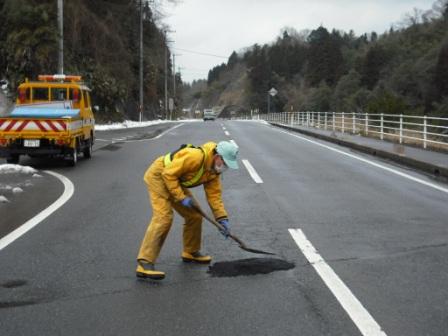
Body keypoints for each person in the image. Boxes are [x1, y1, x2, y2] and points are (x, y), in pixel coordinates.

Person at [136, 141, 239, 280]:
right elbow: (168, 174)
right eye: (225, 163)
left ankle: (190, 252)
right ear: (217, 156)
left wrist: (222, 218)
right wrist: (181, 197)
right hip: (160, 175)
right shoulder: (195, 157)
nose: (225, 167)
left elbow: (214, 196)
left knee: (194, 215)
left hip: (174, 181)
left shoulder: (213, 172)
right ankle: (145, 262)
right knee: (164, 217)